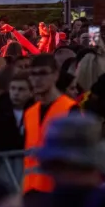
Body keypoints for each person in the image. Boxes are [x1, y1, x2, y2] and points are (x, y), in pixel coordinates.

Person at [22, 53, 80, 194]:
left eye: (43, 73)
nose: (37, 79)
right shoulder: (30, 112)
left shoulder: (70, 108)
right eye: (33, 74)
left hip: (61, 192)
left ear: (55, 75)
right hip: (32, 191)